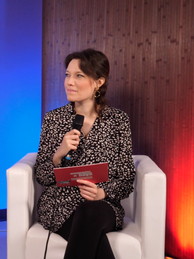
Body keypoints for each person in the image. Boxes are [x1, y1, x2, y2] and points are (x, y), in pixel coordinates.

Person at [34, 49, 135, 259]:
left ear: (98, 82)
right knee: (95, 242)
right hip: (60, 205)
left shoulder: (118, 121)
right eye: (67, 75)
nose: (69, 82)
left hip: (102, 205)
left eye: (79, 75)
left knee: (91, 212)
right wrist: (58, 155)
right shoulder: (53, 120)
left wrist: (102, 193)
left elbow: (126, 179)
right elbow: (41, 176)